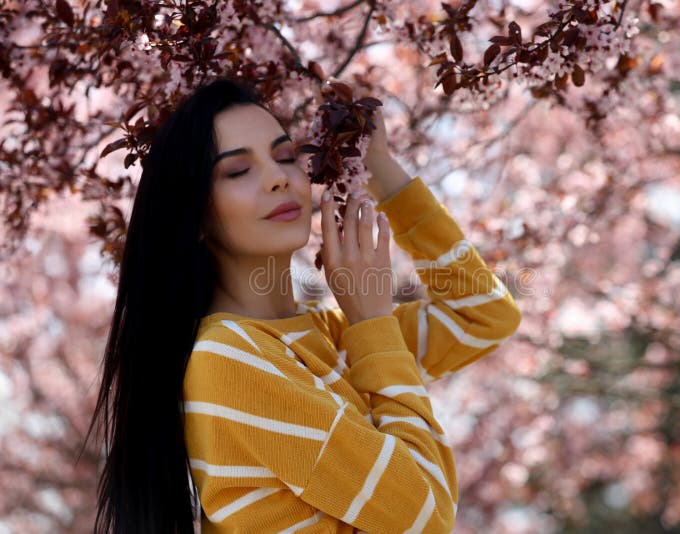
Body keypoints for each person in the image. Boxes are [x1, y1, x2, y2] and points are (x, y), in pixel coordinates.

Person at [79, 77, 522, 533]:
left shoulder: (327, 335)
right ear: (194, 216)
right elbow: (426, 515)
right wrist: (372, 320)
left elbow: (486, 313)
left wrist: (382, 169)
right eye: (237, 171)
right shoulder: (230, 360)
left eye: (285, 156)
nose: (277, 178)